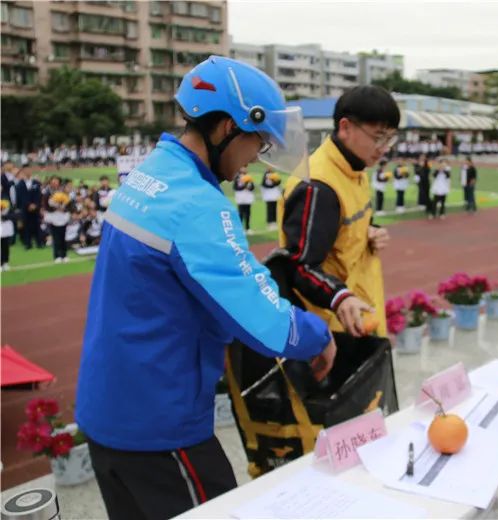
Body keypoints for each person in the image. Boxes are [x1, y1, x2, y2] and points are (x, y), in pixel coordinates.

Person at [75, 56, 336, 519]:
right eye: (258, 141)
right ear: (226, 129)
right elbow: (262, 325)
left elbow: (222, 275)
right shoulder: (196, 204)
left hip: (110, 407)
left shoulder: (152, 173)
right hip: (159, 420)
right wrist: (317, 334)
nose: (257, 156)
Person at [278, 85, 399, 337]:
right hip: (332, 327)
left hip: (360, 309)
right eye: (378, 137)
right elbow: (299, 265)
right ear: (345, 127)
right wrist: (339, 297)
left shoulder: (356, 167)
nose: (385, 147)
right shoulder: (318, 187)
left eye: (390, 138)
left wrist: (371, 231)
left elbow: (348, 226)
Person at [43, 176, 71, 263]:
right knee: (56, 237)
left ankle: (64, 255)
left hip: (63, 216)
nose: (55, 183)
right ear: (50, 182)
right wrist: (56, 208)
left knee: (63, 236)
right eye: (53, 181)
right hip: (53, 217)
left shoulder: (64, 192)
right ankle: (57, 255)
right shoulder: (47, 192)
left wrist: (63, 208)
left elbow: (69, 203)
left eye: (57, 181)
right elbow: (46, 205)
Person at [15, 169, 44, 249]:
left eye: (29, 171)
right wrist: (28, 205)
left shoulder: (36, 183)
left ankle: (39, 243)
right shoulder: (20, 184)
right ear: (23, 172)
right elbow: (20, 196)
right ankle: (28, 244)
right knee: (26, 226)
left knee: (37, 225)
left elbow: (39, 195)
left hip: (36, 208)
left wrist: (35, 205)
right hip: (25, 208)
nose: (28, 172)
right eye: (26, 171)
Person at [233, 166, 255, 233]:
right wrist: (244, 186)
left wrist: (249, 187)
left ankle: (247, 228)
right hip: (240, 197)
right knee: (241, 213)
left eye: (245, 168)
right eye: (242, 168)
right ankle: (239, 228)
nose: (244, 169)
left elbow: (252, 187)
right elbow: (235, 187)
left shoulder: (249, 177)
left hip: (248, 197)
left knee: (248, 213)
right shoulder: (237, 177)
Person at [1, 199, 14, 270]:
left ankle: (5, 262)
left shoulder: (6, 199)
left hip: (5, 226)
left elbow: (12, 213)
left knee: (5, 245)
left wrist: (4, 216)